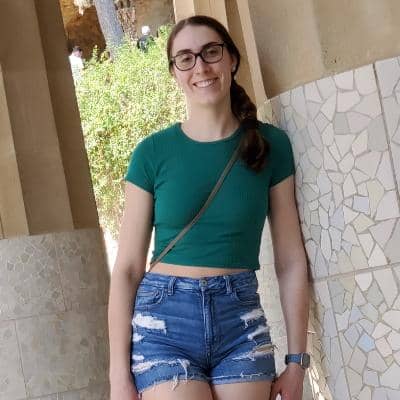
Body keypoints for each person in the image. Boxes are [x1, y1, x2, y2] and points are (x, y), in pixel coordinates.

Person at [108, 15, 309, 400]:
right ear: (174, 73)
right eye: (185, 58)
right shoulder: (152, 153)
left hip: (240, 320)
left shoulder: (271, 146)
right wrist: (119, 377)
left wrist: (297, 361)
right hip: (164, 322)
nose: (200, 67)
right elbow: (128, 269)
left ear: (231, 59)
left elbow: (290, 259)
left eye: (211, 52)